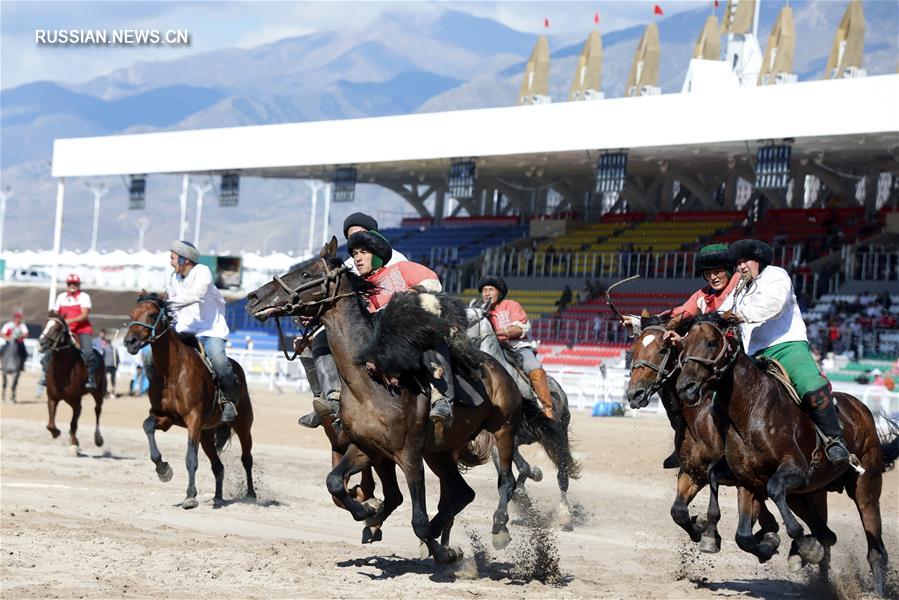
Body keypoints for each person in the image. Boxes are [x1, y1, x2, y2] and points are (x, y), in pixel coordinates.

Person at [719, 239, 850, 468]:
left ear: (758, 260)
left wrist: (738, 315)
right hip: (752, 354)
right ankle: (722, 449)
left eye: (745, 261)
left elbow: (774, 305)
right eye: (738, 262)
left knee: (809, 385)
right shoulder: (738, 288)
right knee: (720, 394)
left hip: (787, 345)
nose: (741, 266)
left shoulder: (777, 275)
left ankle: (834, 440)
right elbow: (721, 312)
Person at [298, 212, 409, 428]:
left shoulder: (396, 259)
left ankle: (437, 398)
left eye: (360, 234)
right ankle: (329, 399)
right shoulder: (348, 264)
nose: (355, 240)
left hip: (387, 324)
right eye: (350, 237)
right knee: (312, 343)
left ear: (374, 235)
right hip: (355, 324)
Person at [336, 230, 452, 423]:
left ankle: (442, 397)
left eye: (363, 252)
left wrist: (411, 292)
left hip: (414, 327)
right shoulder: (360, 289)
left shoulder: (402, 268)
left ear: (377, 255)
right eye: (355, 254)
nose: (357, 258)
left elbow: (433, 283)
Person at [164, 240, 239, 422]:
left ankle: (230, 401)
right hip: (184, 330)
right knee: (152, 356)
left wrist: (167, 304)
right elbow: (172, 305)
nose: (171, 262)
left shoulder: (202, 272)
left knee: (219, 361)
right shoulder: (174, 278)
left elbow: (195, 295)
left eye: (173, 258)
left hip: (210, 331)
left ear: (184, 259)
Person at [478, 275, 555, 420]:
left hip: (517, 348)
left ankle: (547, 408)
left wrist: (496, 333)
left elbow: (521, 329)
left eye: (491, 289)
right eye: (484, 290)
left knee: (535, 369)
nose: (487, 293)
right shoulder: (479, 310)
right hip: (488, 351)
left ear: (499, 292)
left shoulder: (511, 305)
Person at [41, 274, 101, 391]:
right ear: (67, 285)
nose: (72, 286)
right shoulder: (61, 297)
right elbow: (56, 313)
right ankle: (45, 376)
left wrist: (67, 321)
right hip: (64, 331)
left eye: (75, 284)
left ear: (78, 285)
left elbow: (84, 315)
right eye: (70, 284)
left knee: (88, 353)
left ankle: (91, 378)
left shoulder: (84, 297)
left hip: (82, 330)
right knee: (48, 352)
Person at [2, 310, 29, 402]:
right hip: (8, 342)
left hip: (19, 343)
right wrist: (7, 338)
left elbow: (26, 333)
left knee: (25, 353)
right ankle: (2, 364)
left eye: (19, 318)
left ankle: (22, 365)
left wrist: (21, 336)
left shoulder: (22, 326)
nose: (18, 319)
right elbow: (2, 333)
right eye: (17, 318)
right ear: (14, 318)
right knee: (2, 350)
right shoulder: (9, 325)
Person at [97, 329, 119, 398]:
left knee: (112, 379)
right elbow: (102, 355)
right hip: (106, 366)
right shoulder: (104, 349)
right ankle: (105, 391)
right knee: (104, 380)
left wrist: (116, 365)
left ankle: (112, 391)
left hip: (112, 366)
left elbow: (118, 358)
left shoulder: (114, 349)